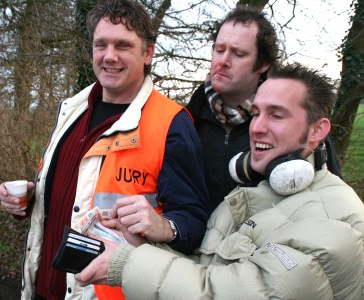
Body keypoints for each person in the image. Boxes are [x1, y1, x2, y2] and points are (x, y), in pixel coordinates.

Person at [75, 62, 364, 299]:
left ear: (317, 130)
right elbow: (203, 270)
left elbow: (236, 293)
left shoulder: (333, 219)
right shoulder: (246, 198)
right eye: (256, 113)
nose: (258, 127)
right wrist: (139, 246)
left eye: (276, 115)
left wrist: (127, 263)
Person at [0, 0, 212, 299]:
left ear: (147, 53)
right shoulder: (71, 111)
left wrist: (165, 226)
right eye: (101, 45)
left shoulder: (171, 123)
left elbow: (194, 219)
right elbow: (75, 195)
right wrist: (32, 199)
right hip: (44, 290)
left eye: (123, 45)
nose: (109, 56)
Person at [186, 5, 342, 210]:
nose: (223, 61)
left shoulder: (297, 125)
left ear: (263, 65)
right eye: (219, 49)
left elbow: (329, 200)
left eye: (238, 53)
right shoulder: (186, 122)